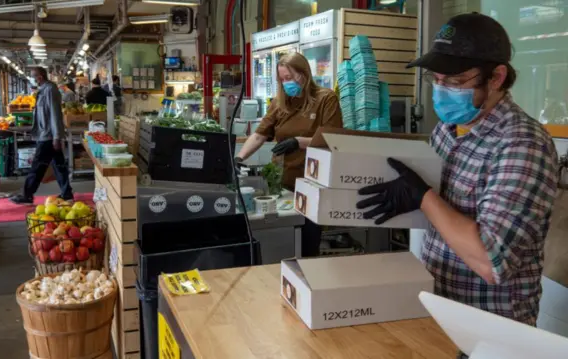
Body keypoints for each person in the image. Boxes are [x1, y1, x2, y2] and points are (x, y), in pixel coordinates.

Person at [355, 13, 558, 357]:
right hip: (442, 315)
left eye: (456, 80)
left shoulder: (522, 143)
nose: (442, 90)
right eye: (436, 79)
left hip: (493, 334)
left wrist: (423, 197)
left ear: (496, 77)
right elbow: (440, 216)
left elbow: (492, 261)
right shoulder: (447, 132)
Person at [236, 52, 343, 257]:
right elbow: (259, 135)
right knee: (283, 242)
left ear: (304, 74)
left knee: (307, 245)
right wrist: (239, 158)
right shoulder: (279, 103)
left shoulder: (325, 99)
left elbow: (333, 140)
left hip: (313, 185)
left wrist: (299, 142)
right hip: (283, 185)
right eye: (283, 79)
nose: (287, 83)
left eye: (291, 78)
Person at [10, 67, 73, 204]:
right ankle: (67, 193)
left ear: (40, 76)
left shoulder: (50, 89)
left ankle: (27, 195)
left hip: (48, 136)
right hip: (46, 134)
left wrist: (56, 136)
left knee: (37, 166)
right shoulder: (43, 90)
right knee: (59, 165)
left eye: (34, 76)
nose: (33, 79)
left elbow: (55, 113)